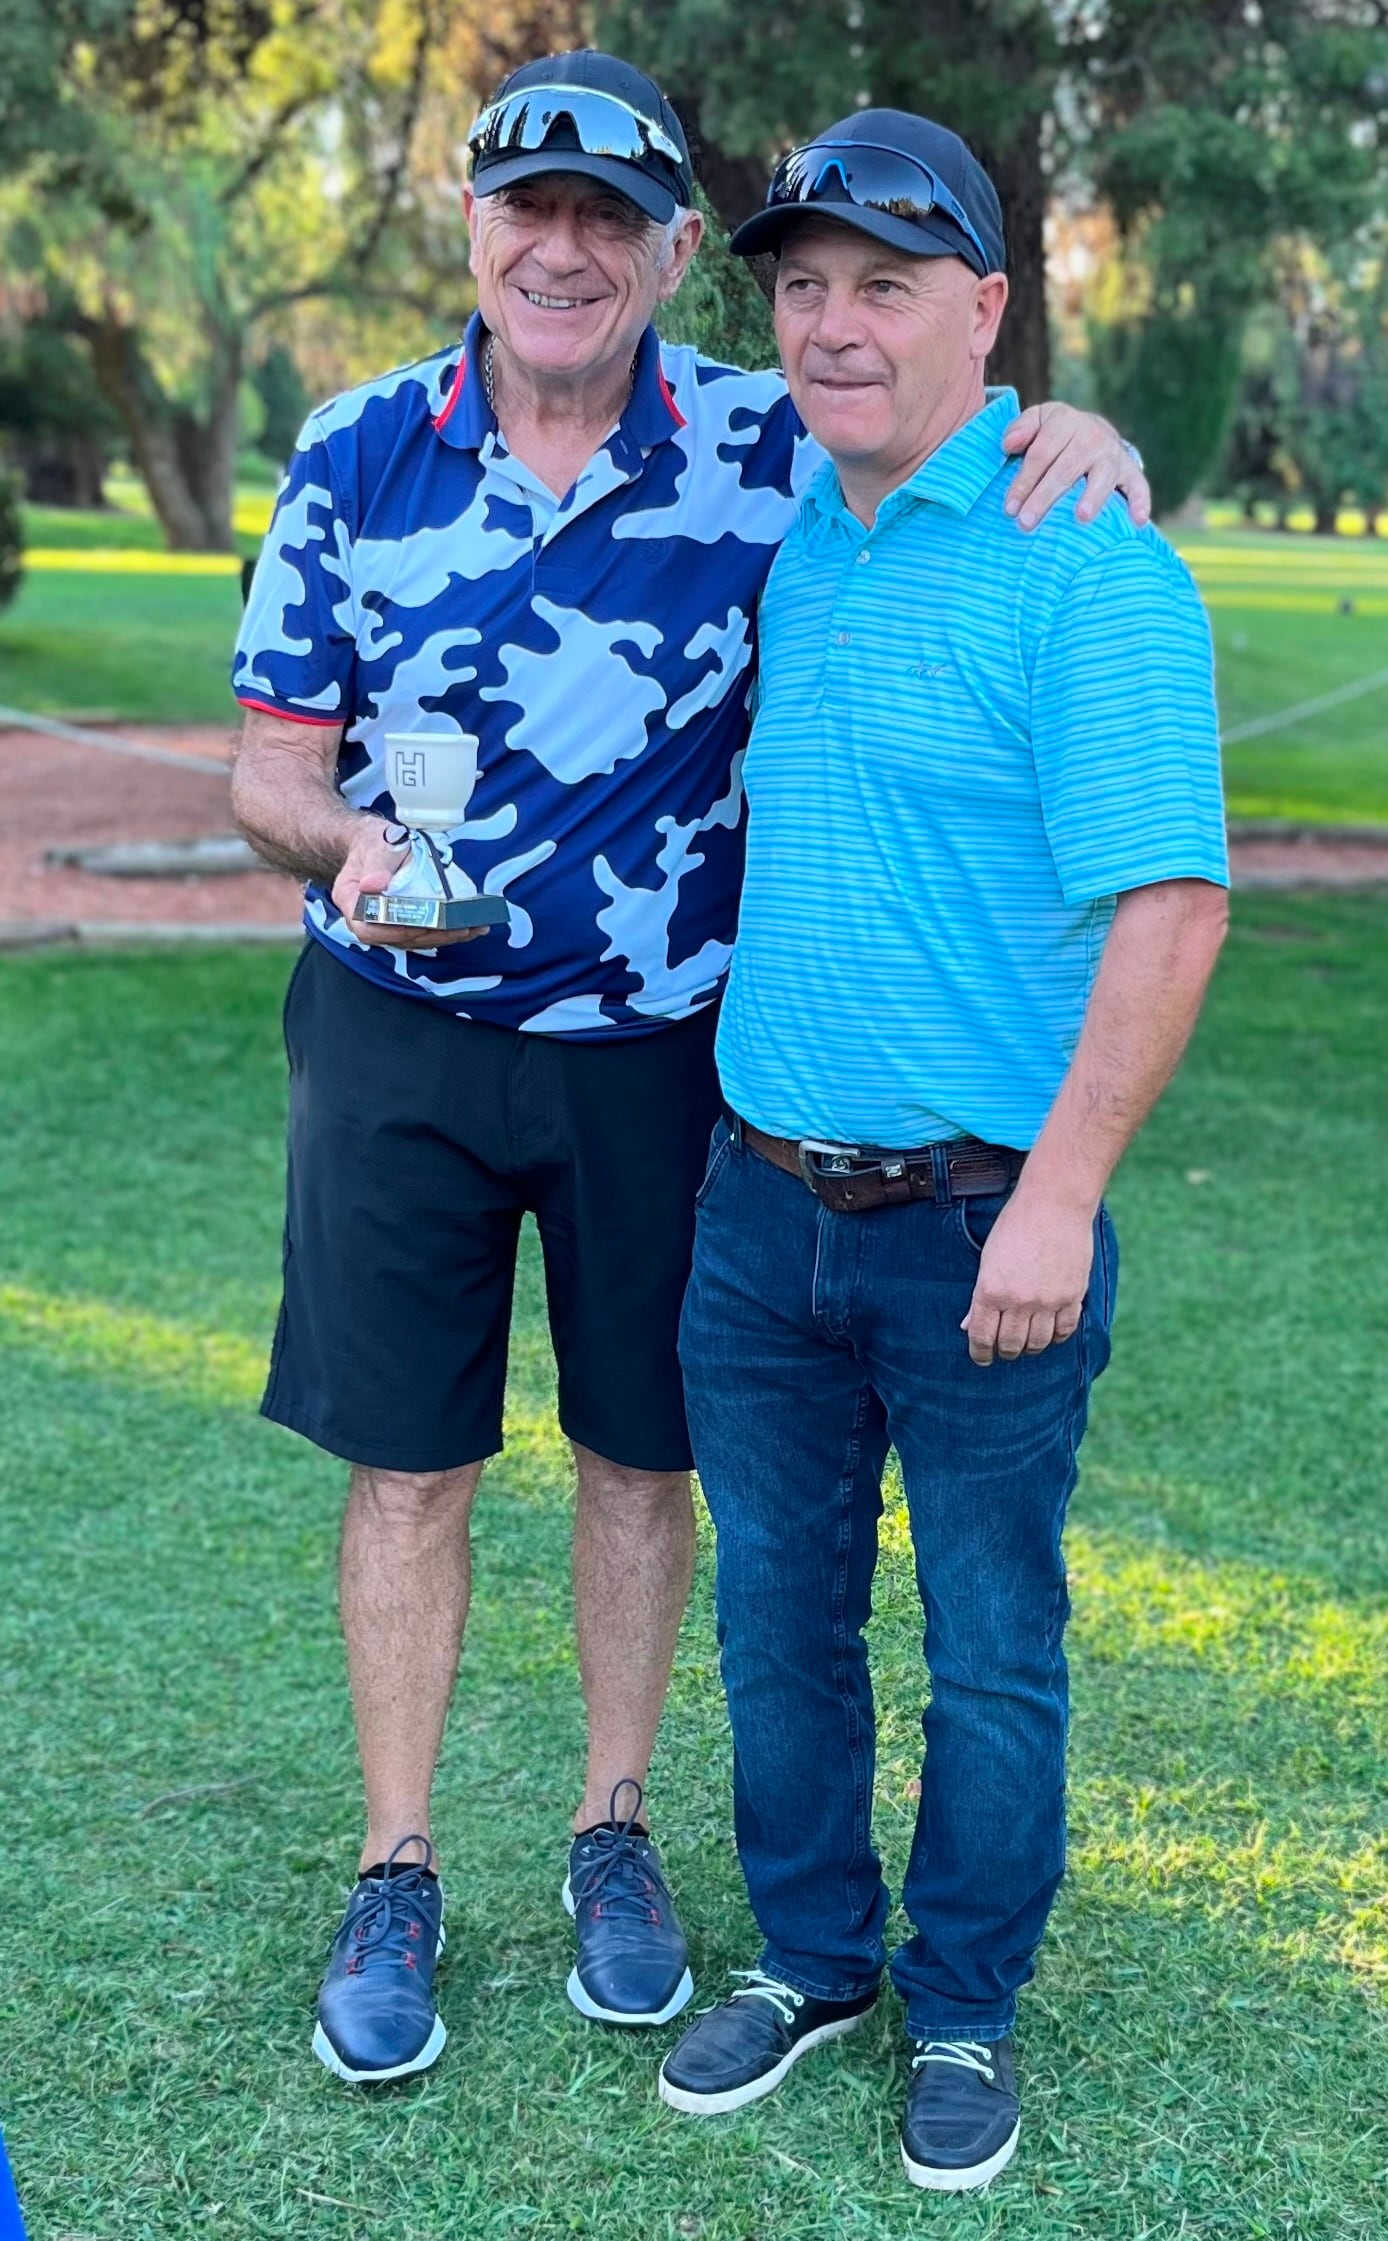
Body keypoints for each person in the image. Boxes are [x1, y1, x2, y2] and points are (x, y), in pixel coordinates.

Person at [229, 48, 1150, 2086]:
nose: (559, 248)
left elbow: (947, 450)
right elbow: (269, 760)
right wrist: (350, 843)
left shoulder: (766, 446)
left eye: (606, 217)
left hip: (663, 1053)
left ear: (661, 253)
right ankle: (396, 1863)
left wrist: (1079, 432)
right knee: (410, 1463)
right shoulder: (355, 448)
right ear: (469, 228)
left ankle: (613, 1829)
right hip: (395, 1036)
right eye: (521, 208)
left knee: (647, 1457)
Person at [657, 111, 1229, 2192]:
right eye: (799, 282)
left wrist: (1063, 1195)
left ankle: (962, 1996)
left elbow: (1171, 908)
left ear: (983, 310)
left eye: (883, 283)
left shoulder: (1087, 555)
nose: (828, 321)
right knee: (776, 1622)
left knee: (989, 1639)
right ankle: (814, 1956)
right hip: (755, 1205)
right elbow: (572, 358)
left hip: (985, 1216)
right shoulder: (792, 499)